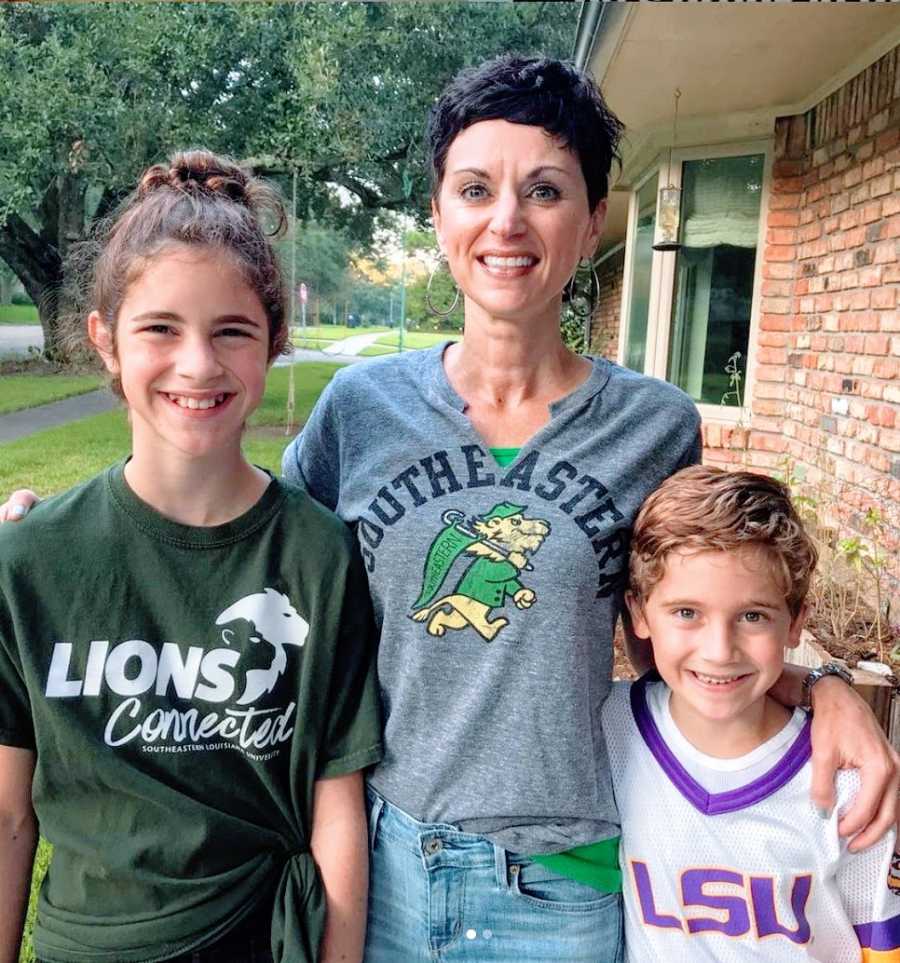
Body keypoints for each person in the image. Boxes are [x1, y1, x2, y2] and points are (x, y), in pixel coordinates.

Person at [3, 56, 897, 962]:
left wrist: (820, 690)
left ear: (591, 224)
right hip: (382, 857)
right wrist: (61, 532)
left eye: (544, 191)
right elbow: (246, 542)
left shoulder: (652, 425)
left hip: (562, 879)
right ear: (439, 217)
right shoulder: (361, 408)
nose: (506, 221)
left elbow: (687, 619)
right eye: (476, 189)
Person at [0, 151, 381, 963]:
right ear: (105, 340)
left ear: (273, 341)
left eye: (232, 331)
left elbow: (335, 807)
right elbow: (6, 816)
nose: (198, 364)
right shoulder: (29, 560)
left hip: (259, 939)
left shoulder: (318, 554)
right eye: (160, 329)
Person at [603, 465, 900, 961]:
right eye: (686, 612)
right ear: (638, 613)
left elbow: (881, 942)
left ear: (795, 623)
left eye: (753, 616)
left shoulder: (850, 785)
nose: (720, 651)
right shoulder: (608, 730)